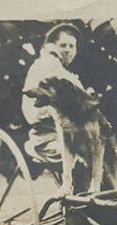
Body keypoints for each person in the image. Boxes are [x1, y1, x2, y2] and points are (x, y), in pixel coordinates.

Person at [21, 22, 84, 165]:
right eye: (63, 45)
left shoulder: (68, 76)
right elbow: (33, 112)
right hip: (46, 138)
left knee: (112, 155)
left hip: (73, 137)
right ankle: (84, 187)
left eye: (71, 46)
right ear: (53, 46)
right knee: (82, 156)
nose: (67, 50)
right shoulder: (43, 67)